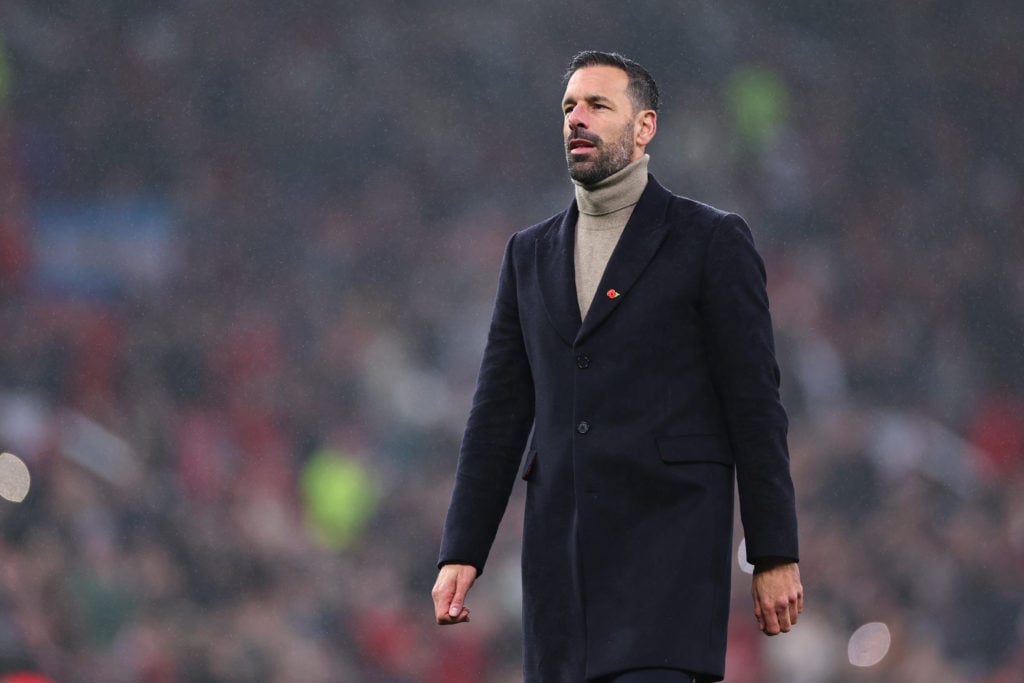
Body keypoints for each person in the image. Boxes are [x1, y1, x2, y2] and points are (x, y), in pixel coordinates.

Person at [432, 50, 803, 683]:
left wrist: (774, 553)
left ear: (644, 127)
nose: (578, 118)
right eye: (569, 107)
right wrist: (462, 551)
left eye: (599, 105)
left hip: (668, 567)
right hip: (561, 579)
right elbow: (497, 414)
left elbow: (754, 404)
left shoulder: (710, 240)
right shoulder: (528, 254)